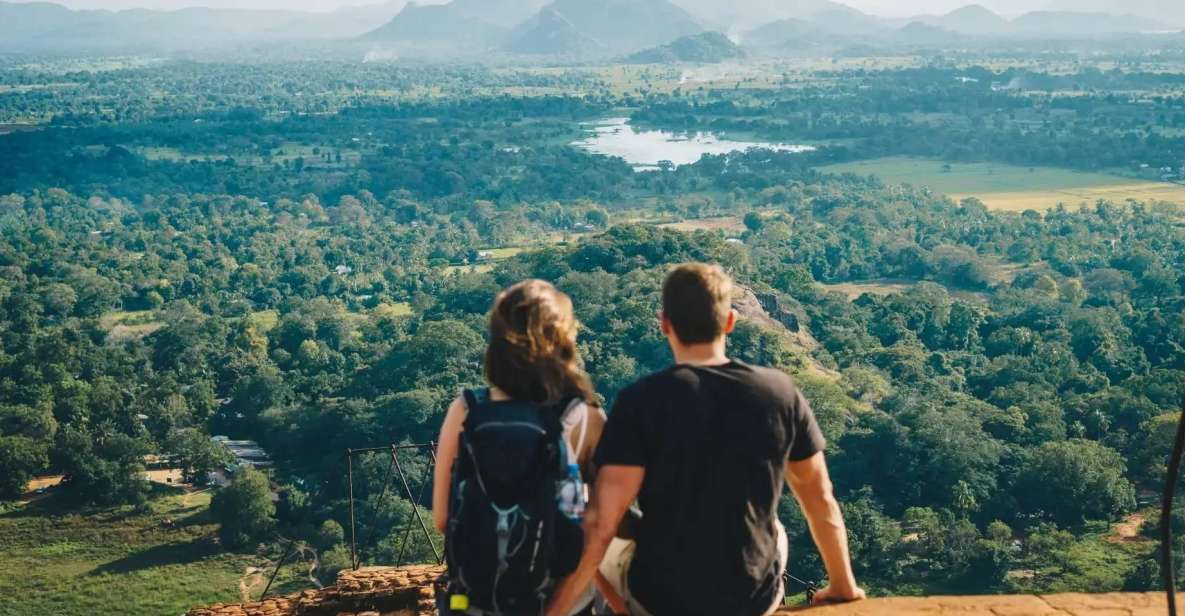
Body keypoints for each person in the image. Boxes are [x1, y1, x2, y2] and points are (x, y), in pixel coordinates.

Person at [547, 263, 865, 616]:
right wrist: (842, 585)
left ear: (664, 323)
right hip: (751, 598)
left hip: (661, 599)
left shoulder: (641, 401)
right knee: (773, 525)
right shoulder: (779, 392)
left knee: (596, 513)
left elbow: (603, 523)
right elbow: (819, 498)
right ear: (729, 321)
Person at [433, 280, 606, 616]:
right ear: (563, 341)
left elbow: (443, 518)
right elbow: (600, 532)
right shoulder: (586, 418)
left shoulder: (467, 410)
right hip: (560, 604)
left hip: (477, 604)